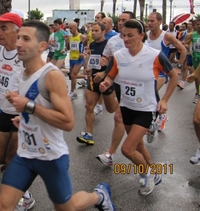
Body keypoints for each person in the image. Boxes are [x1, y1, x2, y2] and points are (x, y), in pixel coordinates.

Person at [0, 20, 115, 211]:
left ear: (42, 46)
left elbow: (67, 122)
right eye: (18, 37)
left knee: (67, 208)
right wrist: (25, 118)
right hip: (25, 153)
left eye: (26, 39)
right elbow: (36, 109)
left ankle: (99, 196)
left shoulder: (52, 75)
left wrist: (29, 106)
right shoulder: (23, 72)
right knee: (2, 206)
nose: (18, 43)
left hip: (50, 156)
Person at [100, 19, 177, 196]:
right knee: (139, 146)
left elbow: (173, 76)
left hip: (146, 109)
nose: (126, 39)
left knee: (128, 149)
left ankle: (146, 174)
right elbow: (111, 76)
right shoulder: (119, 56)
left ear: (141, 36)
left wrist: (164, 100)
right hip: (127, 107)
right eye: (124, 35)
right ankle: (153, 171)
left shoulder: (155, 55)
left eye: (130, 36)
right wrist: (106, 83)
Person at [0, 12, 35, 210]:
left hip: (21, 115)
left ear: (17, 32)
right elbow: (1, 76)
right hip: (4, 111)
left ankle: (25, 195)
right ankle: (19, 177)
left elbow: (37, 84)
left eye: (4, 28)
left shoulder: (25, 54)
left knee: (11, 158)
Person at [96, 11, 135, 166]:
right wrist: (104, 69)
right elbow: (106, 59)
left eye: (124, 20)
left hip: (134, 85)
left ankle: (112, 153)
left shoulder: (139, 40)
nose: (120, 22)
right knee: (117, 115)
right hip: (117, 83)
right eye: (119, 20)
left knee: (121, 118)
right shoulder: (112, 41)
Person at [76, 22, 118, 145]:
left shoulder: (109, 45)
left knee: (112, 109)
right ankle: (89, 135)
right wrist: (90, 68)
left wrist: (104, 73)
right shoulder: (93, 44)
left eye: (96, 31)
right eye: (92, 31)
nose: (93, 33)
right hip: (94, 79)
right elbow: (94, 60)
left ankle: (122, 102)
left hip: (107, 80)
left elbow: (114, 63)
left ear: (103, 32)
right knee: (89, 106)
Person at [67, 21, 86, 100]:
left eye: (71, 28)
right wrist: (66, 41)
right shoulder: (70, 37)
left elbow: (87, 47)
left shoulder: (81, 36)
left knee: (73, 75)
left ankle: (72, 92)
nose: (70, 30)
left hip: (79, 59)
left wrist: (84, 54)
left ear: (76, 27)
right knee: (71, 76)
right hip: (72, 58)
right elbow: (68, 48)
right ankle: (86, 77)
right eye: (69, 28)